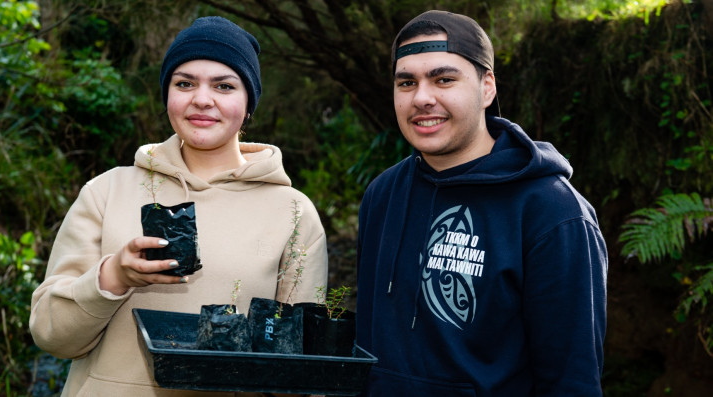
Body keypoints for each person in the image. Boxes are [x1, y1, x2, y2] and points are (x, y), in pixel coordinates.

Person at [30, 16, 328, 396]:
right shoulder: (106, 191)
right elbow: (51, 336)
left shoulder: (293, 213)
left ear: (249, 101)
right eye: (184, 83)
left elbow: (301, 367)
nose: (202, 99)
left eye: (224, 85)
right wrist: (114, 277)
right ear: (167, 94)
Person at [355, 10, 608, 396]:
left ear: (487, 87)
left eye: (444, 79)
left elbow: (571, 381)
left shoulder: (553, 213)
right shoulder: (382, 195)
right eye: (407, 82)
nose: (422, 98)